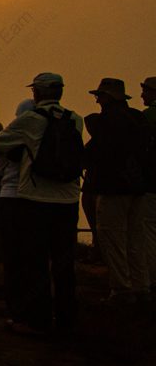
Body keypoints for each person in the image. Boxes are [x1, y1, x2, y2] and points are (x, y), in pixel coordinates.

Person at [0, 73, 82, 335]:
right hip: (69, 199)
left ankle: (37, 321)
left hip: (36, 200)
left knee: (36, 262)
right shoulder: (76, 119)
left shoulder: (30, 120)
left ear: (37, 93)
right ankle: (67, 320)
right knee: (64, 263)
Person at [85, 78, 149, 304]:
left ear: (107, 98)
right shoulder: (139, 119)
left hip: (112, 188)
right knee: (135, 239)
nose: (97, 100)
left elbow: (94, 153)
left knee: (112, 237)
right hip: (139, 187)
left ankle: (122, 289)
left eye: (99, 96)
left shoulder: (105, 122)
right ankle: (141, 286)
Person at [0, 99, 32, 319]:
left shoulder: (9, 138)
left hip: (9, 194)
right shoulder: (40, 135)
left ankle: (13, 297)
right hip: (34, 197)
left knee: (11, 250)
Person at [140, 77, 156, 295]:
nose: (142, 95)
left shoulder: (147, 117)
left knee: (149, 230)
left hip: (151, 182)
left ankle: (152, 280)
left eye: (145, 91)